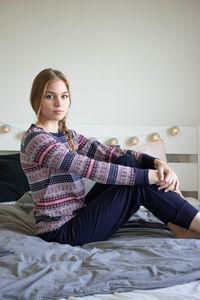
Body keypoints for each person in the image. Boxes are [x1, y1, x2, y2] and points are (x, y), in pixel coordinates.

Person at [20, 68, 200, 246]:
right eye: (50, 96)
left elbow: (110, 153)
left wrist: (157, 163)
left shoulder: (68, 135)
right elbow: (91, 168)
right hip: (61, 231)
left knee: (127, 162)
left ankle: (179, 228)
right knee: (136, 185)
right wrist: (153, 177)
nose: (59, 103)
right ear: (37, 99)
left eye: (64, 96)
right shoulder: (37, 140)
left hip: (79, 212)